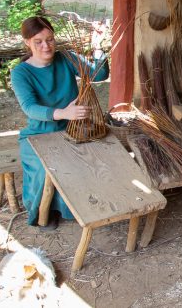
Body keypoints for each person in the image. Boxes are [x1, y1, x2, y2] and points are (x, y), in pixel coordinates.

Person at [11, 16, 109, 228]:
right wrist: (64, 113)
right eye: (38, 41)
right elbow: (30, 108)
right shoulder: (21, 72)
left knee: (96, 157)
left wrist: (98, 46)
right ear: (27, 42)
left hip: (73, 129)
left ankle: (83, 205)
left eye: (50, 39)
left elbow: (99, 73)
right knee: (43, 167)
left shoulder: (65, 58)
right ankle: (44, 212)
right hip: (39, 133)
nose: (46, 46)